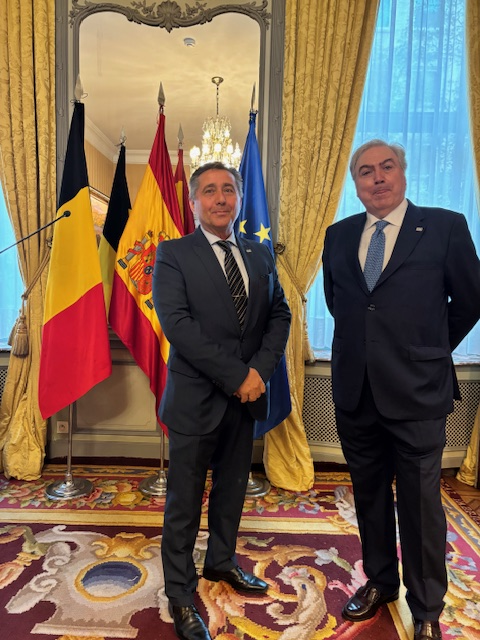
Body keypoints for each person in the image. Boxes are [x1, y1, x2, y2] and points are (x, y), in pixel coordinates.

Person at [322, 139, 480, 640]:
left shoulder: (445, 227)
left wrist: (428, 348)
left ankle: (427, 607)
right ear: (356, 184)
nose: (378, 178)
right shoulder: (338, 236)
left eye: (386, 167)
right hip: (356, 392)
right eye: (366, 171)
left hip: (418, 393)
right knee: (368, 495)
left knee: (420, 504)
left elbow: (470, 299)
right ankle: (380, 582)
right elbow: (339, 304)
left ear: (402, 172)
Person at [152, 161, 291, 640]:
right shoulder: (173, 254)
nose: (220, 198)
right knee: (184, 504)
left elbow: (280, 315)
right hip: (196, 401)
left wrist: (259, 374)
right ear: (194, 202)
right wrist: (238, 376)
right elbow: (178, 326)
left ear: (238, 198)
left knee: (231, 492)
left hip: (245, 400)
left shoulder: (259, 252)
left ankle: (222, 562)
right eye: (209, 191)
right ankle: (179, 593)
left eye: (228, 189)